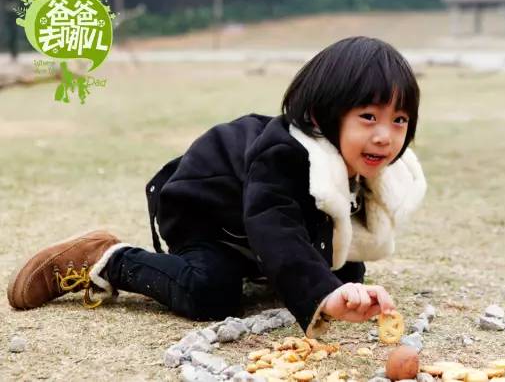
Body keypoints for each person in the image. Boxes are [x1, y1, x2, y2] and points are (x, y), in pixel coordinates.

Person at [7, 36, 427, 338]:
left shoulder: (359, 162)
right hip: (208, 218)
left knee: (347, 272)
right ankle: (108, 257)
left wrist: (336, 286)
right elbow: (275, 226)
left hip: (256, 231)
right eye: (368, 117)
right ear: (320, 116)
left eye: (399, 120)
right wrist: (320, 295)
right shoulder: (284, 154)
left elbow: (335, 233)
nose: (385, 137)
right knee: (212, 293)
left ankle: (272, 274)